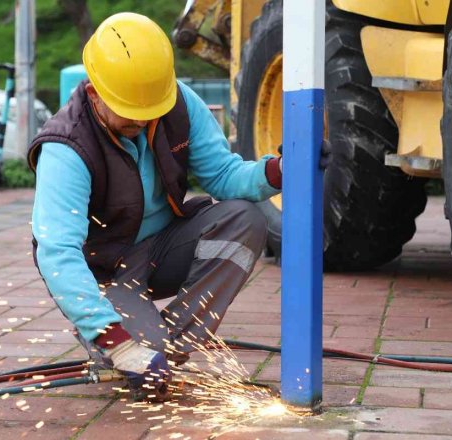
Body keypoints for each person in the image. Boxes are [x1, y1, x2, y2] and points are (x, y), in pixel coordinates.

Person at [29, 13, 300, 401]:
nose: (142, 117)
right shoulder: (66, 147)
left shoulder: (175, 103)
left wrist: (277, 172)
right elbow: (57, 254)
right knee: (130, 348)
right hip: (103, 270)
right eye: (129, 109)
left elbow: (223, 175)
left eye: (149, 107)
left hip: (161, 248)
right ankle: (123, 345)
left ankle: (168, 350)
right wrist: (117, 341)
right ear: (93, 93)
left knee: (245, 218)